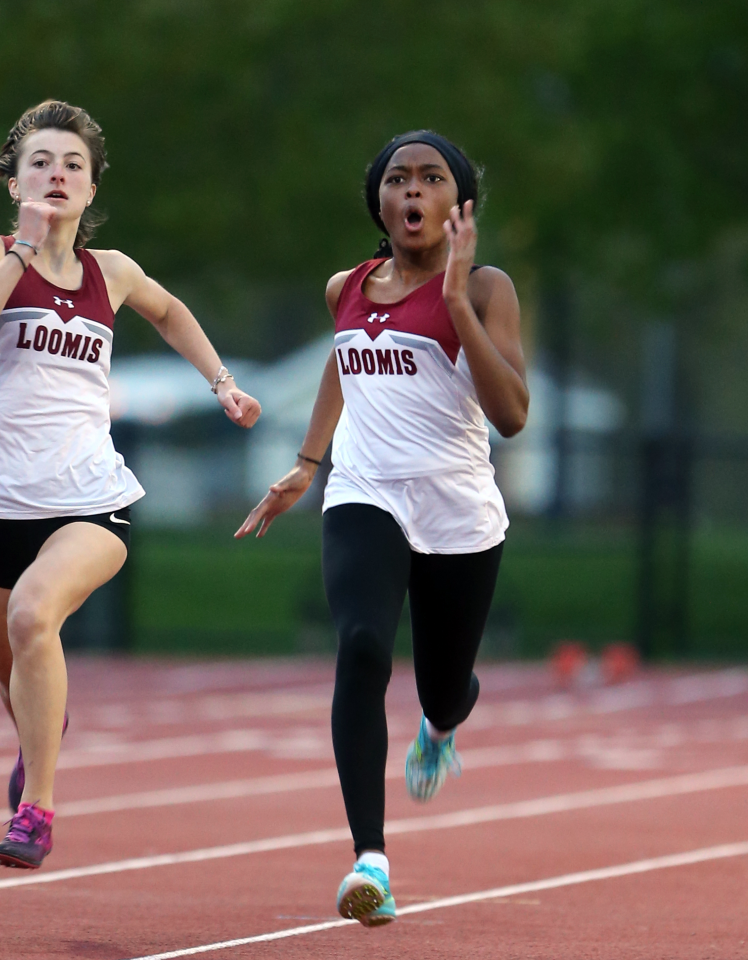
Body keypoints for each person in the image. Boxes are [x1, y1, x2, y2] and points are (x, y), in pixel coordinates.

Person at [0, 100, 260, 870]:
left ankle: (37, 812)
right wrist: (19, 253)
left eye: (72, 165)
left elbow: (170, 309)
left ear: (90, 187)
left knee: (31, 613)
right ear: (13, 178)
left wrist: (221, 382)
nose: (57, 174)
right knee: (13, 668)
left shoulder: (108, 272)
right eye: (41, 162)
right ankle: (37, 738)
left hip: (91, 498)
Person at [237, 131, 528, 925]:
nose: (412, 190)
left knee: (441, 683)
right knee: (363, 646)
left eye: (431, 179)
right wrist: (307, 461)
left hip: (459, 509)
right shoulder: (349, 286)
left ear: (457, 207)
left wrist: (460, 301)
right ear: (378, 201)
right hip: (365, 493)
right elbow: (342, 361)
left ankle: (442, 722)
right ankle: (371, 860)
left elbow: (512, 416)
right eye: (397, 178)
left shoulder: (490, 289)